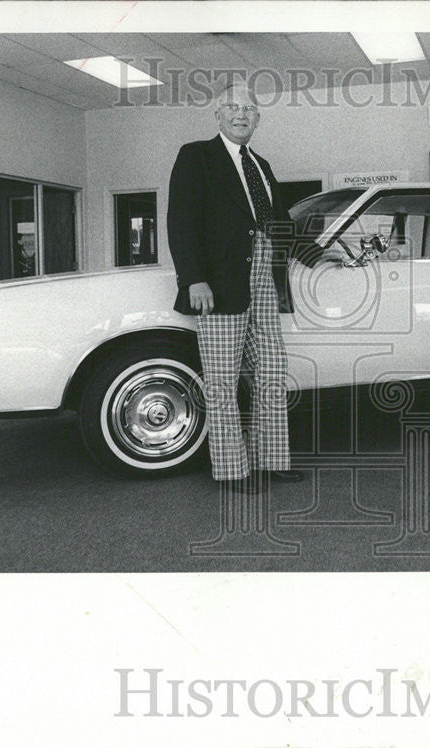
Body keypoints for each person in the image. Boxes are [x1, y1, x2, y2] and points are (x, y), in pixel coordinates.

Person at [167, 81, 305, 494]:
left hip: (264, 278)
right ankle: (233, 471)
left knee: (271, 370)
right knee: (224, 380)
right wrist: (193, 278)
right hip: (220, 283)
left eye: (248, 108)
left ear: (258, 118)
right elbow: (181, 220)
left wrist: (325, 255)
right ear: (218, 115)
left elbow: (280, 224)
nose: (240, 114)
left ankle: (271, 460)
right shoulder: (196, 156)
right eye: (231, 106)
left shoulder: (261, 164)